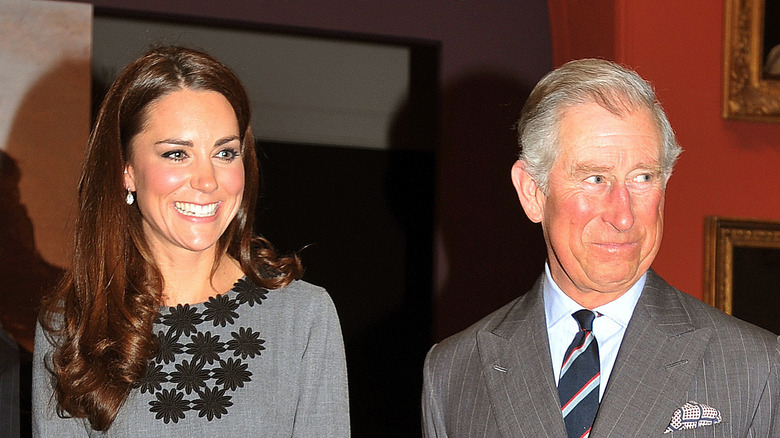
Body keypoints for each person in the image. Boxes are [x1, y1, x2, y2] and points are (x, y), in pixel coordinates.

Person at [422, 59, 779, 437]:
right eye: (595, 178)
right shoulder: (453, 374)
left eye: (642, 177)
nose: (623, 216)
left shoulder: (754, 367)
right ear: (532, 192)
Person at [33, 46, 350, 436]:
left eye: (224, 152)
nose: (207, 180)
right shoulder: (72, 322)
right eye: (177, 153)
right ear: (126, 171)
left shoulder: (303, 317)